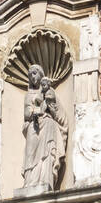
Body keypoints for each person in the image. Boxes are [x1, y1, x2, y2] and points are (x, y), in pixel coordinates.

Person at [17, 63, 66, 195]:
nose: (32, 77)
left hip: (47, 124)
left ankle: (46, 179)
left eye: (35, 73)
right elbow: (26, 113)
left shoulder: (49, 92)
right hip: (33, 126)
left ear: (41, 74)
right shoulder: (29, 95)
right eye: (30, 75)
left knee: (47, 152)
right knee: (30, 154)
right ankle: (29, 182)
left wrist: (49, 104)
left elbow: (58, 114)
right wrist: (33, 112)